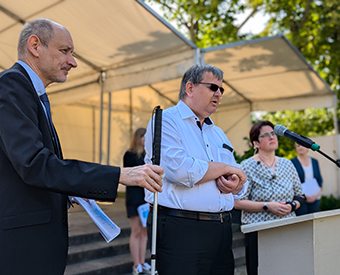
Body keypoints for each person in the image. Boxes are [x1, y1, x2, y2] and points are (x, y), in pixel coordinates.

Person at [0, 18, 163, 275]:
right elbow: (34, 164)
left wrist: (69, 190)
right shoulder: (11, 86)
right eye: (65, 51)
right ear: (35, 45)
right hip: (23, 247)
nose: (73, 62)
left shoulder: (33, 92)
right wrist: (120, 174)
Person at [144, 64, 248, 275]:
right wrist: (224, 168)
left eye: (221, 89)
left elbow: (238, 179)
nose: (218, 93)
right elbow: (181, 171)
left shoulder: (218, 133)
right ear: (189, 88)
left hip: (222, 229)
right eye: (212, 87)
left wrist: (236, 184)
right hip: (182, 229)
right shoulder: (166, 120)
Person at [234, 121, 306, 275]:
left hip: (287, 227)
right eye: (266, 135)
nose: (272, 137)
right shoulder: (245, 166)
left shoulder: (288, 164)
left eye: (273, 133)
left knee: (288, 269)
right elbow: (237, 202)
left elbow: (300, 195)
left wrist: (292, 206)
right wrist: (267, 205)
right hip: (259, 230)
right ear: (256, 143)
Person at [124, 128, 153, 275]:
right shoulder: (129, 155)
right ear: (138, 138)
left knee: (144, 232)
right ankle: (136, 264)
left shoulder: (148, 155)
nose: (145, 139)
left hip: (146, 199)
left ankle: (142, 261)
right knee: (136, 231)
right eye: (143, 136)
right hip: (134, 198)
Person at [291, 142, 323, 215]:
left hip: (315, 197)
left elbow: (319, 179)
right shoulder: (292, 162)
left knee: (314, 222)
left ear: (307, 147)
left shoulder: (315, 161)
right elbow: (291, 182)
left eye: (302, 145)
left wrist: (316, 194)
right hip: (300, 199)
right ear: (296, 148)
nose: (300, 147)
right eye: (298, 146)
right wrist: (304, 196)